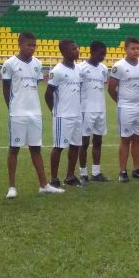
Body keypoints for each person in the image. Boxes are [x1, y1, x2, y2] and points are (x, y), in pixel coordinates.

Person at [1, 31, 64, 197]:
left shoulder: (37, 63)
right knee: (14, 148)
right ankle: (12, 187)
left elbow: (35, 85)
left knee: (36, 148)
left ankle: (44, 184)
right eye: (29, 45)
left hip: (35, 112)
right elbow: (6, 89)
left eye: (34, 45)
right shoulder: (9, 64)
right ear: (20, 44)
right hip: (17, 113)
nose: (32, 48)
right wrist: (12, 107)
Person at [109, 37, 139, 182]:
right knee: (125, 139)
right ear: (125, 49)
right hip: (125, 107)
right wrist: (122, 101)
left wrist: (137, 98)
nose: (136, 51)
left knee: (138, 139)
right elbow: (111, 88)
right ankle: (122, 171)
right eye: (133, 48)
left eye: (138, 48)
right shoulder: (119, 66)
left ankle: (137, 169)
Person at [46, 39, 85, 188]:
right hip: (63, 115)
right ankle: (54, 179)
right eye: (73, 49)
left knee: (75, 146)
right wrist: (55, 111)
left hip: (77, 114)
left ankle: (70, 176)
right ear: (64, 52)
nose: (76, 51)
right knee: (59, 147)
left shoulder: (78, 69)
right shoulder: (57, 71)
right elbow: (48, 94)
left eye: (77, 48)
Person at [78, 41, 109, 182]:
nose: (103, 56)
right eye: (100, 54)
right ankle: (83, 173)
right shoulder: (81, 68)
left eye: (104, 54)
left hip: (100, 110)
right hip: (86, 110)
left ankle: (96, 173)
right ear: (92, 51)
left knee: (98, 141)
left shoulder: (104, 69)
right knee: (84, 143)